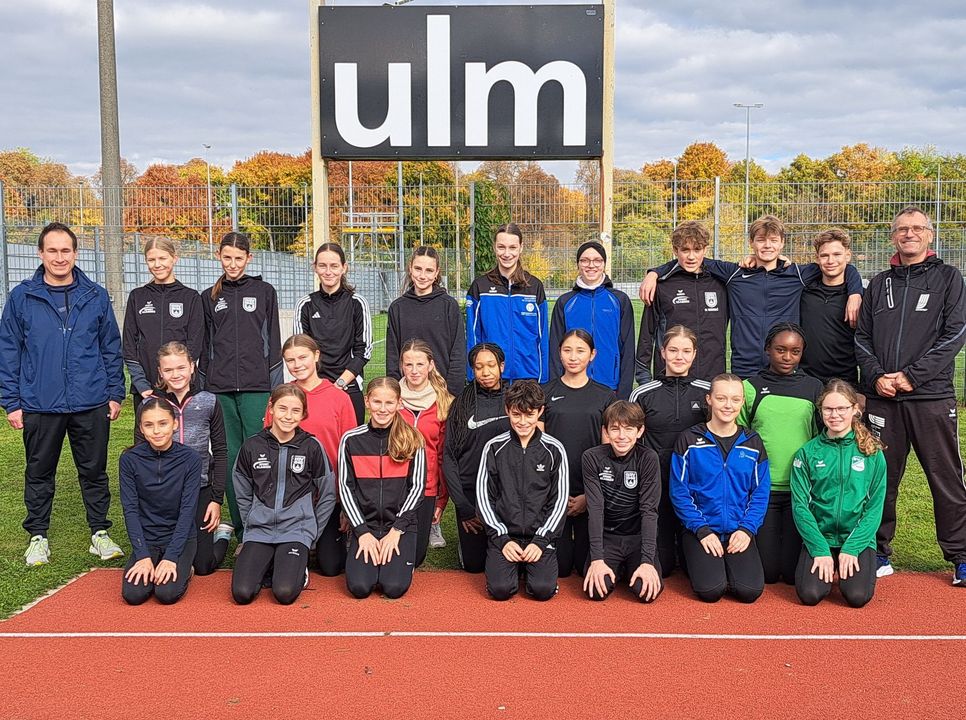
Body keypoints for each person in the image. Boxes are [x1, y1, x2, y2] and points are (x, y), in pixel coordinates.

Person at [0, 222, 125, 567]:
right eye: (52, 250)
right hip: (40, 402)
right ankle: (38, 536)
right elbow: (8, 350)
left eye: (65, 250)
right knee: (39, 472)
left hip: (91, 401)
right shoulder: (22, 296)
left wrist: (114, 393)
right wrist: (12, 401)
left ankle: (99, 533)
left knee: (95, 471)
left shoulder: (96, 295)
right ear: (40, 254)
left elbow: (111, 348)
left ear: (75, 253)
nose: (59, 257)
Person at [855, 205, 966, 585]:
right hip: (884, 399)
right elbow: (862, 338)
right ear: (893, 236)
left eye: (917, 228)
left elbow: (955, 335)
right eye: (902, 229)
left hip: (931, 397)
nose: (909, 234)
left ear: (930, 235)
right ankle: (879, 551)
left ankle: (960, 557)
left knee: (946, 478)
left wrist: (910, 377)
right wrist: (876, 378)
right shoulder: (878, 283)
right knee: (881, 479)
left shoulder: (948, 279)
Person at [640, 214, 863, 378]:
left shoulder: (797, 274)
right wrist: (654, 272)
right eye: (761, 240)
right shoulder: (734, 273)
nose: (767, 245)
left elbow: (839, 266)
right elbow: (692, 257)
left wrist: (855, 292)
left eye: (773, 240)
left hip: (784, 366)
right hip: (743, 368)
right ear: (751, 243)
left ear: (782, 243)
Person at [202, 231, 282, 542]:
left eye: (239, 258)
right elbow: (204, 347)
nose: (232, 264)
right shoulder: (208, 297)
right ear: (219, 257)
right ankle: (243, 527)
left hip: (257, 387)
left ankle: (266, 523)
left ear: (249, 258)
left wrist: (274, 390)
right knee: (231, 456)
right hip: (220, 389)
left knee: (260, 455)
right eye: (227, 257)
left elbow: (273, 343)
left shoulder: (264, 292)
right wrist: (205, 386)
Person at [231, 385, 336, 605]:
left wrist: (312, 530)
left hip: (296, 531)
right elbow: (240, 488)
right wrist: (251, 519)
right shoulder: (252, 445)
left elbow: (327, 492)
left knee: (285, 593)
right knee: (242, 593)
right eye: (282, 408)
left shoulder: (312, 446)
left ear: (303, 414)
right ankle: (271, 563)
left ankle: (297, 570)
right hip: (260, 530)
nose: (288, 416)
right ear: (271, 408)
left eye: (296, 411)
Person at [670, 374, 770, 603]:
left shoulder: (752, 442)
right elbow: (679, 491)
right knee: (710, 591)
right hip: (702, 530)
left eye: (735, 399)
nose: (728, 405)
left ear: (743, 402)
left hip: (738, 530)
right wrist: (701, 530)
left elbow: (760, 492)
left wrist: (747, 530)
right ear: (709, 399)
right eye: (722, 398)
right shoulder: (689, 440)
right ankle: (694, 559)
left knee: (749, 591)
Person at [739, 323, 822, 585]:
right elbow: (739, 438)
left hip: (800, 492)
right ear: (767, 350)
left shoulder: (813, 388)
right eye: (780, 350)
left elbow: (819, 439)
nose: (787, 357)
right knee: (769, 574)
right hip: (764, 491)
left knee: (790, 575)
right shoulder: (750, 388)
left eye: (795, 352)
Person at [790, 380, 886, 607]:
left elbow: (875, 506)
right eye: (828, 409)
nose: (835, 415)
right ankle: (827, 560)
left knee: (857, 597)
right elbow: (800, 506)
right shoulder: (807, 453)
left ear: (855, 410)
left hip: (855, 539)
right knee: (810, 595)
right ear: (820, 411)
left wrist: (852, 548)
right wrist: (819, 549)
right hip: (821, 537)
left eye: (842, 408)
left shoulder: (871, 452)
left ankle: (847, 564)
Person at [269, 334, 357, 577]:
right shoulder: (281, 397)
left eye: (302, 357)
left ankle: (325, 538)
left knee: (331, 567)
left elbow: (349, 453)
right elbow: (269, 447)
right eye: (290, 360)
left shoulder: (339, 397)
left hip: (327, 494)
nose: (297, 365)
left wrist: (345, 504)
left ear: (316, 356)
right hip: (291, 496)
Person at [477, 380, 568, 601]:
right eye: (516, 415)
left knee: (543, 590)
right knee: (499, 591)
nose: (523, 422)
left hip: (540, 536)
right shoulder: (494, 447)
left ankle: (532, 569)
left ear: (540, 412)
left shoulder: (554, 449)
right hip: (505, 535)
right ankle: (510, 566)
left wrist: (541, 540)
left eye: (529, 415)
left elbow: (560, 500)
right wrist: (501, 538)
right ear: (507, 410)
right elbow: (483, 497)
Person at [630, 326, 709, 577]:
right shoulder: (642, 393)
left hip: (695, 485)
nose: (679, 356)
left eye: (686, 351)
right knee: (662, 565)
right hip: (658, 483)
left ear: (695, 354)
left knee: (691, 567)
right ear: (662, 353)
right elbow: (632, 441)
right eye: (673, 350)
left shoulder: (707, 392)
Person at [146, 342, 229, 575]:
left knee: (203, 567)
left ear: (192, 367)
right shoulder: (151, 404)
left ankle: (222, 535)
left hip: (200, 488)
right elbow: (141, 453)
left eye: (181, 368)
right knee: (165, 554)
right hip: (165, 492)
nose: (176, 375)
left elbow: (221, 450)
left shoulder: (209, 401)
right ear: (160, 372)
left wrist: (216, 500)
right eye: (169, 370)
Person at [339, 377, 426, 599]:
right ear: (367, 402)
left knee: (393, 588)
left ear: (399, 403)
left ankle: (400, 562)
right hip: (365, 526)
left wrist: (396, 531)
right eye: (377, 402)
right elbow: (345, 488)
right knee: (359, 588)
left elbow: (417, 489)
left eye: (389, 403)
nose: (383, 409)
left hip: (399, 527)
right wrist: (361, 532)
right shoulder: (350, 440)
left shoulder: (413, 439)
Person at [540, 329, 616, 577]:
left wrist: (588, 496)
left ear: (592, 355)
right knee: (561, 568)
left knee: (586, 567)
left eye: (580, 351)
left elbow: (609, 451)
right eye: (567, 350)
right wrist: (557, 495)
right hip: (554, 492)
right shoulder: (545, 392)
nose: (573, 357)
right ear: (559, 353)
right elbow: (538, 448)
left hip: (590, 492)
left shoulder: (605, 395)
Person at [120, 398, 201, 605]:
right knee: (134, 595)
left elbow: (188, 511)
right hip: (147, 538)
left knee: (166, 593)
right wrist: (142, 555)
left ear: (175, 424)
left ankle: (186, 568)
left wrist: (171, 557)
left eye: (162, 423)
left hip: (180, 537)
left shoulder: (191, 459)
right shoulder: (129, 460)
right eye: (149, 425)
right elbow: (130, 510)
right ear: (141, 428)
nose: (156, 431)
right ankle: (151, 560)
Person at [582, 401, 663, 603]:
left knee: (646, 592)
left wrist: (647, 561)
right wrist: (597, 559)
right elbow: (595, 509)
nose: (621, 436)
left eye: (628, 429)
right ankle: (615, 568)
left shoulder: (648, 458)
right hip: (608, 537)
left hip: (638, 538)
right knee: (596, 592)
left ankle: (632, 568)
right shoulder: (592, 458)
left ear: (640, 431)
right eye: (615, 429)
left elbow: (649, 511)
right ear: (606, 431)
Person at [442, 343, 511, 573]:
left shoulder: (514, 400)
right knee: (475, 566)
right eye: (479, 367)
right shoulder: (461, 404)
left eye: (491, 365)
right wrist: (463, 507)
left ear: (501, 366)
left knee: (509, 561)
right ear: (472, 370)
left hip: (507, 493)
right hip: (472, 496)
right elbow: (449, 457)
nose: (486, 372)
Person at [122, 238, 205, 422]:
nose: (157, 265)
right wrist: (142, 385)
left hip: (181, 388)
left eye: (163, 258)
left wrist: (177, 381)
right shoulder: (137, 296)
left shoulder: (190, 297)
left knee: (185, 442)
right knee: (149, 442)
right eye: (151, 260)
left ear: (174, 258)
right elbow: (128, 345)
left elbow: (195, 344)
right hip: (147, 389)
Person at [635, 222, 728, 383]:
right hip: (670, 380)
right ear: (675, 250)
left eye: (697, 250)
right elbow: (646, 334)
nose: (691, 257)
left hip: (712, 379)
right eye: (685, 250)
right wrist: (643, 377)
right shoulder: (661, 285)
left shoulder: (722, 283)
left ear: (705, 250)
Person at [294, 242, 372, 424]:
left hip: (348, 386)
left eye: (334, 266)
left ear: (344, 268)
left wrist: (340, 384)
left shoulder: (357, 303)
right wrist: (319, 386)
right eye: (322, 266)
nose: (328, 272)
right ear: (315, 268)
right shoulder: (305, 305)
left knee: (350, 445)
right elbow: (300, 350)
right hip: (314, 387)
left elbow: (364, 350)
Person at [550, 241, 635, 398]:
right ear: (578, 264)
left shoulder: (619, 300)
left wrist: (623, 394)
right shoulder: (565, 302)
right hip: (571, 386)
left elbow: (628, 350)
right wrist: (557, 390)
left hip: (609, 386)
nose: (591, 265)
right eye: (585, 260)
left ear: (604, 264)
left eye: (597, 260)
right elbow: (555, 349)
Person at [466, 223, 549, 383]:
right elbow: (473, 337)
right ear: (494, 248)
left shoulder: (534, 286)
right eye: (501, 247)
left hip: (528, 377)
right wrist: (473, 377)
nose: (507, 253)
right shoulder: (480, 287)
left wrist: (543, 379)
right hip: (491, 378)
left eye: (512, 247)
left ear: (521, 248)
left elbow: (542, 336)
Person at [398, 339, 454, 565]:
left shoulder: (444, 403)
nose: (414, 371)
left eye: (420, 364)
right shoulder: (392, 399)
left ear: (431, 365)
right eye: (408, 364)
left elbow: (443, 455)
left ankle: (432, 526)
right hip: (396, 486)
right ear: (401, 365)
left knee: (416, 558)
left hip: (427, 487)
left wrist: (440, 501)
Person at [386, 246, 466, 397]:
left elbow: (458, 353)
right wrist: (395, 393)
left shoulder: (448, 306)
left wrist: (451, 393)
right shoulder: (398, 308)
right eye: (418, 269)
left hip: (442, 392)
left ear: (436, 273)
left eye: (429, 270)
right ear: (410, 269)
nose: (422, 276)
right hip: (407, 393)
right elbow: (393, 357)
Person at [799, 228, 860, 384]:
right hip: (805, 380)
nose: (830, 261)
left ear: (848, 255)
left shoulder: (860, 298)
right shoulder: (804, 292)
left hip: (845, 381)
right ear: (817, 258)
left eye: (837, 254)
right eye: (825, 255)